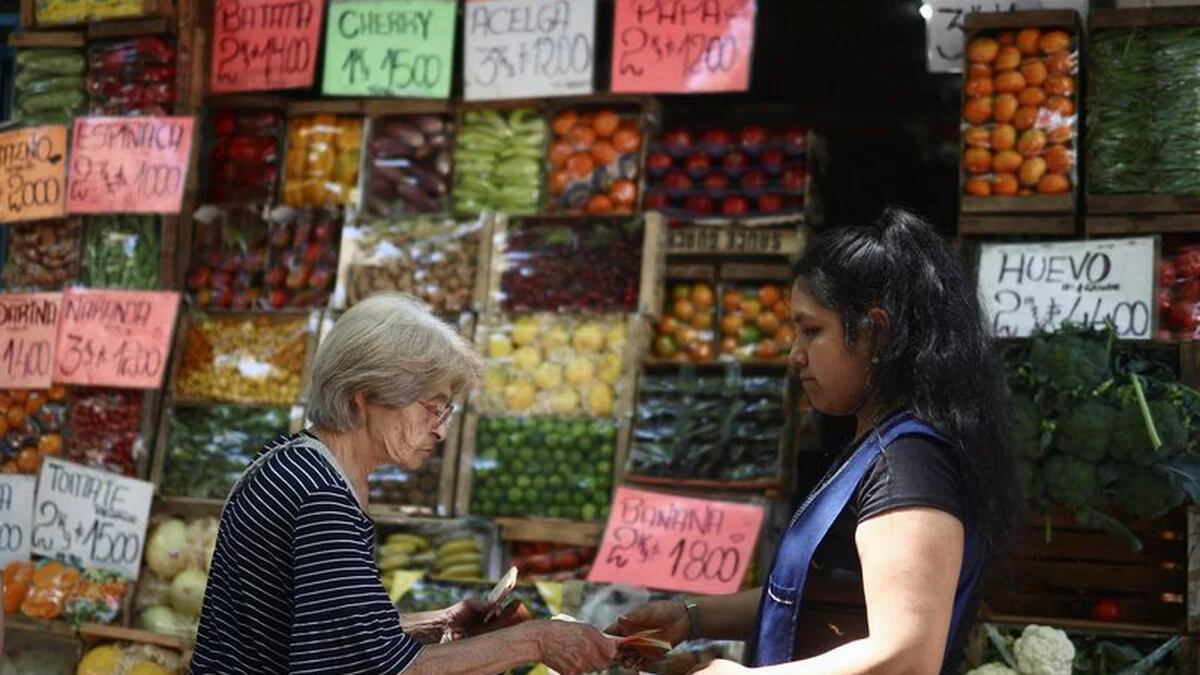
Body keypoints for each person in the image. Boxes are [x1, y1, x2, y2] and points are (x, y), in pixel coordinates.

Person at [609, 208, 1021, 674]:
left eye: (811, 331)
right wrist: (692, 617)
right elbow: (820, 594)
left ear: (875, 332)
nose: (794, 355)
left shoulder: (910, 466)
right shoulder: (878, 445)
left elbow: (908, 655)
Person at [192, 293, 616, 675]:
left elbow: (332, 627)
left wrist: (437, 622)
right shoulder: (321, 496)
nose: (441, 431)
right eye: (432, 409)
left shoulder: (295, 462)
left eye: (446, 413)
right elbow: (380, 668)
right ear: (362, 395)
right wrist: (534, 640)